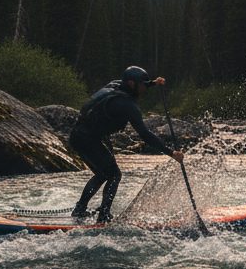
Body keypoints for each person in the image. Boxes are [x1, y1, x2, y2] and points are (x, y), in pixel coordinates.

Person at [68, 65, 185, 223]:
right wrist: (171, 153)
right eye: (143, 85)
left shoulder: (116, 84)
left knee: (104, 174)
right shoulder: (127, 105)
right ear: (132, 84)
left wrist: (154, 83)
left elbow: (137, 85)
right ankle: (103, 216)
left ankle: (81, 210)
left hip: (81, 135)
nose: (144, 88)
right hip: (86, 139)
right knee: (114, 174)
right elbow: (145, 135)